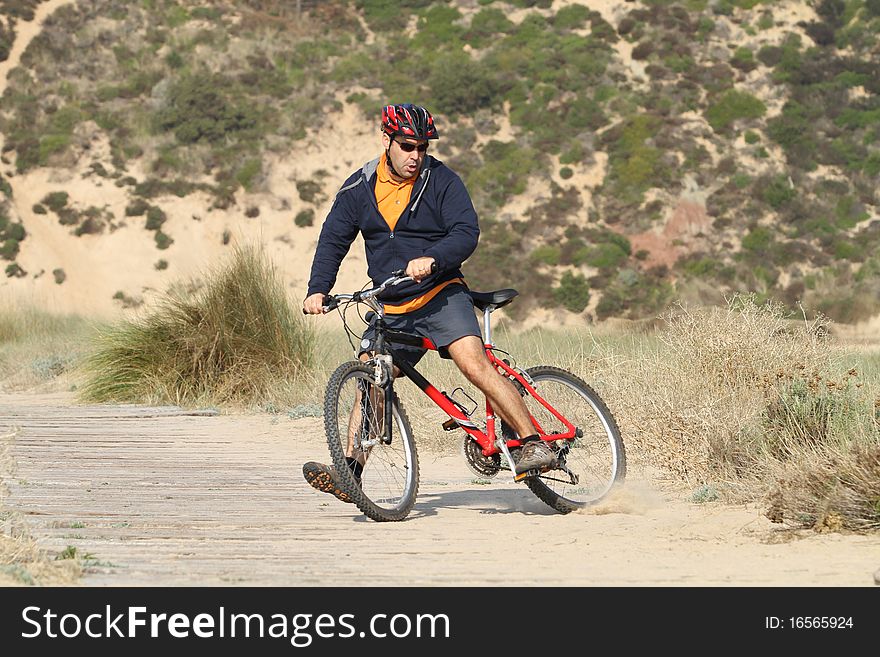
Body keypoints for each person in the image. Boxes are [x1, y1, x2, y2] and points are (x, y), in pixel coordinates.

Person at [301, 103, 555, 503]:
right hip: (393, 302)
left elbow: (466, 231)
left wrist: (434, 258)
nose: (415, 155)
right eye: (407, 146)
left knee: (473, 364)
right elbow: (333, 240)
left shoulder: (441, 181)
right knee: (372, 379)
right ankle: (350, 473)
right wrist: (318, 289)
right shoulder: (358, 188)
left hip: (441, 293)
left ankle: (534, 442)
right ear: (386, 141)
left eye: (422, 147)